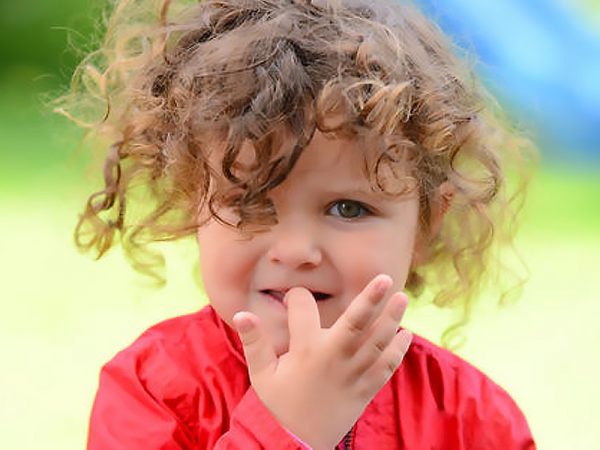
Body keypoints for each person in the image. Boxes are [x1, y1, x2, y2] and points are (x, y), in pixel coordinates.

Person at [57, 0, 536, 448]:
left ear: (426, 226)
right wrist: (288, 430)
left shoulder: (472, 420)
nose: (294, 249)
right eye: (249, 202)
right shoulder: (154, 390)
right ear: (192, 205)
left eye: (348, 209)